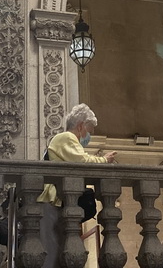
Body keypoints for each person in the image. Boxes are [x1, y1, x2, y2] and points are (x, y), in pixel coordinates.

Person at [38, 104, 117, 268]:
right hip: (50, 202)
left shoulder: (66, 140)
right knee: (50, 252)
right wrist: (104, 160)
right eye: (89, 131)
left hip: (58, 202)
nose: (88, 137)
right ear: (80, 126)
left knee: (58, 251)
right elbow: (81, 161)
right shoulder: (66, 137)